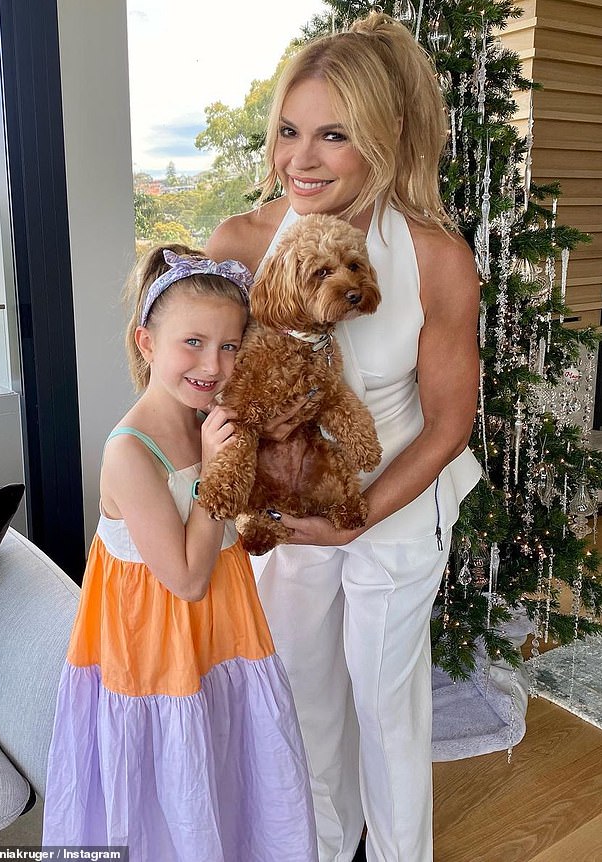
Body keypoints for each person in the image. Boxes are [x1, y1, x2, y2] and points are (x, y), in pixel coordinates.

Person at [205, 12, 482, 862]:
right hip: (289, 508)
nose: (302, 158)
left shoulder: (436, 257)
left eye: (333, 135)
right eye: (290, 131)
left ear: (384, 135)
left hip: (397, 500)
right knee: (301, 697)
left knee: (386, 705)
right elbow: (198, 391)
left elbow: (449, 423)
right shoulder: (240, 244)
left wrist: (359, 515)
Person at [42, 245, 318, 862]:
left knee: (227, 773)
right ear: (146, 343)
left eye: (230, 346)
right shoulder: (130, 453)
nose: (213, 365)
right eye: (192, 343)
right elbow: (188, 579)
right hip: (157, 657)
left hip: (223, 640)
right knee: (169, 797)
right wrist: (217, 474)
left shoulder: (208, 422)